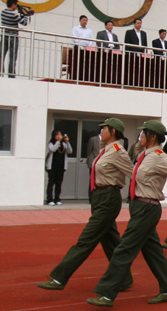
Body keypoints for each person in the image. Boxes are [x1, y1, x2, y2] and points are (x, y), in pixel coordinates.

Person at [87, 120, 167, 308]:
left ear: (152, 136)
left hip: (147, 209)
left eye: (143, 134)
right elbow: (140, 174)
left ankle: (106, 293)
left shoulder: (159, 157)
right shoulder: (145, 155)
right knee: (153, 251)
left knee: (124, 249)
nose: (139, 137)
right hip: (140, 206)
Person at [37, 119, 134, 292]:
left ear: (113, 132)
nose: (101, 131)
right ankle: (124, 278)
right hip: (99, 197)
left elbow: (134, 174)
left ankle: (59, 277)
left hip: (109, 198)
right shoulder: (105, 149)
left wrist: (151, 192)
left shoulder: (118, 151)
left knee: (85, 241)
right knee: (111, 242)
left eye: (104, 128)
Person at [0, 0, 30, 77]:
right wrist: (25, 14)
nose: (16, 6)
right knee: (12, 57)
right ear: (12, 4)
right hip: (13, 38)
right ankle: (11, 74)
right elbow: (24, 22)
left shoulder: (3, 12)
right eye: (16, 5)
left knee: (2, 55)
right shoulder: (13, 15)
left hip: (4, 36)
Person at [45, 130, 73, 205]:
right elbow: (53, 149)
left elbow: (70, 151)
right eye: (58, 135)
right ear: (54, 136)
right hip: (53, 166)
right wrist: (58, 141)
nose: (60, 136)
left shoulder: (63, 144)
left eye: (60, 134)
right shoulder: (51, 143)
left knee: (59, 183)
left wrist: (67, 142)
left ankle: (57, 199)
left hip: (61, 166)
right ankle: (49, 199)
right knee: (51, 183)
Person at [86, 133, 102, 202]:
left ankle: (99, 197)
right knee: (92, 180)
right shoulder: (93, 139)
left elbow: (117, 150)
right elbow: (89, 152)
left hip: (103, 164)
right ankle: (91, 198)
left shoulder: (112, 142)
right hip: (94, 162)